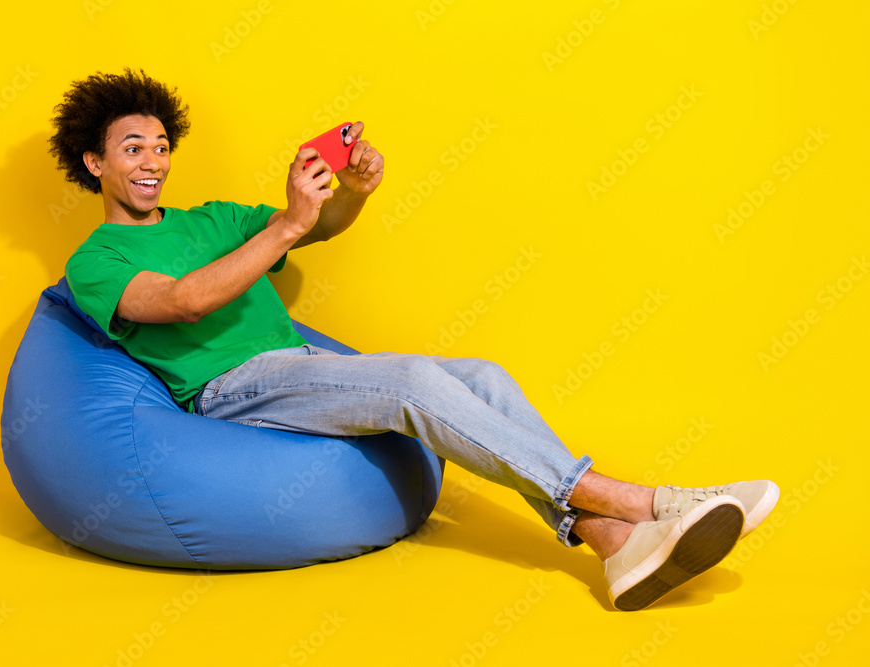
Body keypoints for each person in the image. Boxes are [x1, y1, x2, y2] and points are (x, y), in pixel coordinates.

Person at [50, 69, 778, 611]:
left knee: (484, 376)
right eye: (132, 148)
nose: (152, 161)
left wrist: (351, 192)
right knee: (412, 388)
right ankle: (647, 502)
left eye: (160, 146)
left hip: (302, 367)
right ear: (96, 163)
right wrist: (287, 224)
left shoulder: (210, 218)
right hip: (230, 389)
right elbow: (179, 302)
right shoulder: (95, 261)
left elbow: (320, 227)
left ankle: (612, 544)